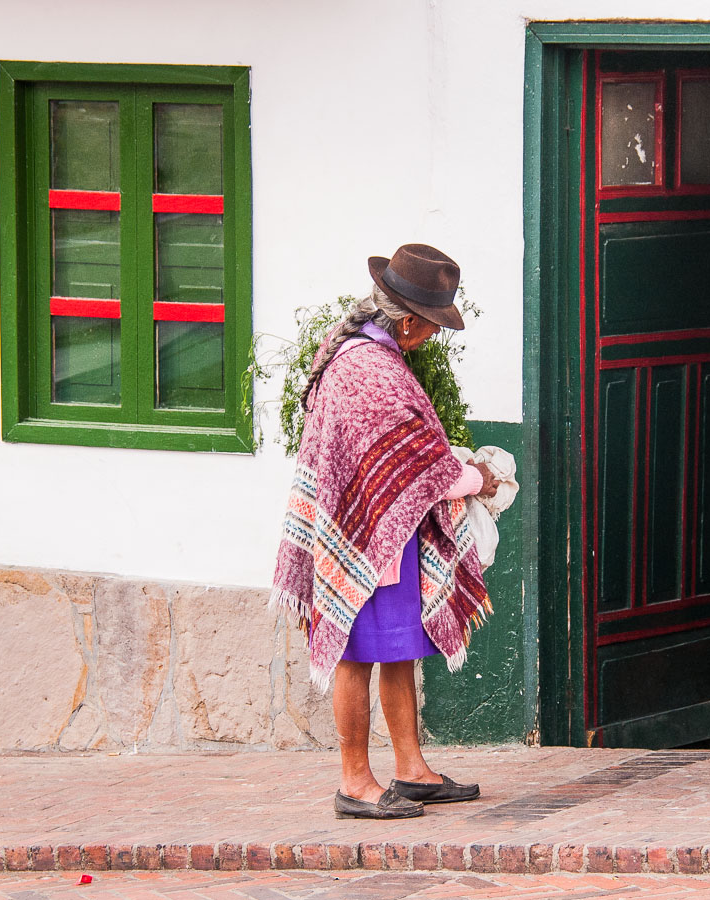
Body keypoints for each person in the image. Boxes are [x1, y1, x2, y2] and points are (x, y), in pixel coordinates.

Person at [271, 243, 498, 819]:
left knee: (398, 650)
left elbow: (404, 457)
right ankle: (354, 781)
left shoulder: (362, 353)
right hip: (364, 538)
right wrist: (479, 478)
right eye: (434, 324)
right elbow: (418, 465)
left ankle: (411, 770)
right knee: (355, 653)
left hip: (384, 531)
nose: (434, 335)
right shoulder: (370, 369)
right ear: (410, 321)